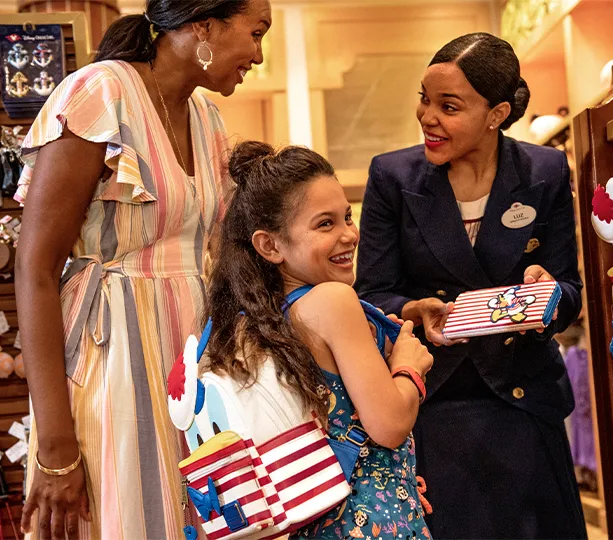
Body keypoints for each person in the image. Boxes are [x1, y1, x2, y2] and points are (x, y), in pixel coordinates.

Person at [14, 0, 271, 537]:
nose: (259, 55)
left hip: (187, 361)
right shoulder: (100, 93)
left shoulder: (206, 116)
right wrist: (57, 446)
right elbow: (35, 270)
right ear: (205, 25)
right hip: (109, 355)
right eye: (256, 33)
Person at [355, 32, 588, 539]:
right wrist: (414, 309)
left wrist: (547, 294)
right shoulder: (393, 177)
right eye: (424, 98)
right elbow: (371, 295)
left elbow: (569, 291)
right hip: (432, 405)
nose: (426, 116)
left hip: (524, 403)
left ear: (496, 113)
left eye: (448, 106)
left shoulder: (544, 170)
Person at [205, 141, 434, 539]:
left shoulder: (251, 319)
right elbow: (390, 424)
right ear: (269, 245)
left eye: (347, 216)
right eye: (325, 224)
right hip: (369, 520)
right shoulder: (334, 301)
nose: (349, 234)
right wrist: (408, 368)